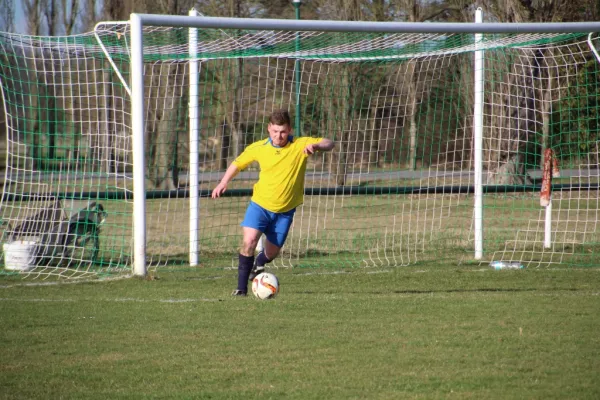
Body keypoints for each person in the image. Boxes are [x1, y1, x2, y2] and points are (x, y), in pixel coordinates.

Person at [211, 109, 335, 296]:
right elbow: (238, 163)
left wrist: (317, 145)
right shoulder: (259, 147)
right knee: (249, 242)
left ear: (290, 130)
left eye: (283, 131)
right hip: (260, 205)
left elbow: (329, 143)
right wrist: (223, 182)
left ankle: (259, 264)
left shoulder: (300, 144)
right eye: (275, 131)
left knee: (272, 253)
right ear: (269, 128)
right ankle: (241, 289)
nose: (279, 135)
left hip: (285, 211)